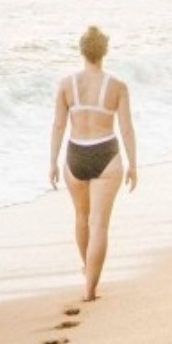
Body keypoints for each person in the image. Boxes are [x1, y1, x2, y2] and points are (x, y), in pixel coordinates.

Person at [47, 25, 138, 301]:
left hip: (75, 154)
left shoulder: (66, 85)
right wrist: (133, 164)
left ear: (82, 51)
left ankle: (88, 270)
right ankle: (90, 290)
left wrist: (52, 162)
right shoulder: (118, 87)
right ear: (104, 52)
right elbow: (127, 129)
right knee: (99, 225)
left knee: (81, 219)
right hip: (106, 154)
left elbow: (58, 126)